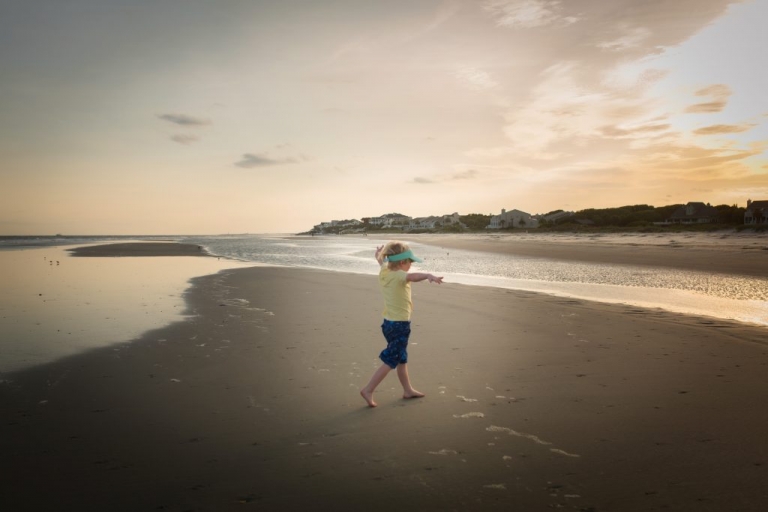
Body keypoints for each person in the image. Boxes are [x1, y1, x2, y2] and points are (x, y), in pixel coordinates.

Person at [360, 241, 443, 407]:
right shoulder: (399, 276)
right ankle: (368, 389)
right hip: (399, 325)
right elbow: (412, 277)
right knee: (392, 359)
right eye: (410, 262)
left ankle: (407, 390)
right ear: (402, 262)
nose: (411, 265)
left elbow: (381, 261)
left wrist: (378, 254)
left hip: (388, 323)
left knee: (401, 358)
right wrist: (428, 275)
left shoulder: (385, 270)